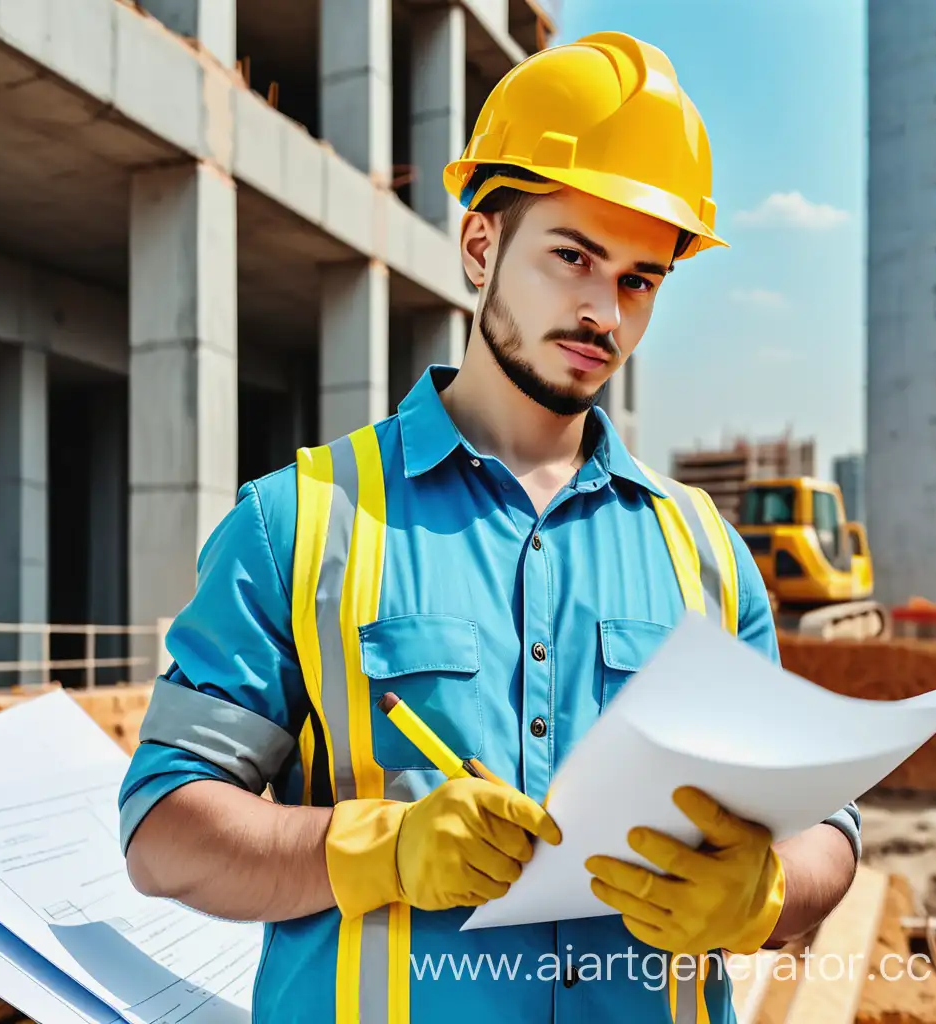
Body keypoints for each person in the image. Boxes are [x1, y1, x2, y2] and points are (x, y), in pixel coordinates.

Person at [119, 31, 860, 1024]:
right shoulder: (298, 522)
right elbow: (162, 831)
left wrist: (764, 891)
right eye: (572, 256)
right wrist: (376, 850)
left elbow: (825, 827)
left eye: (639, 279)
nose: (604, 308)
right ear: (480, 245)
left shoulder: (708, 556)